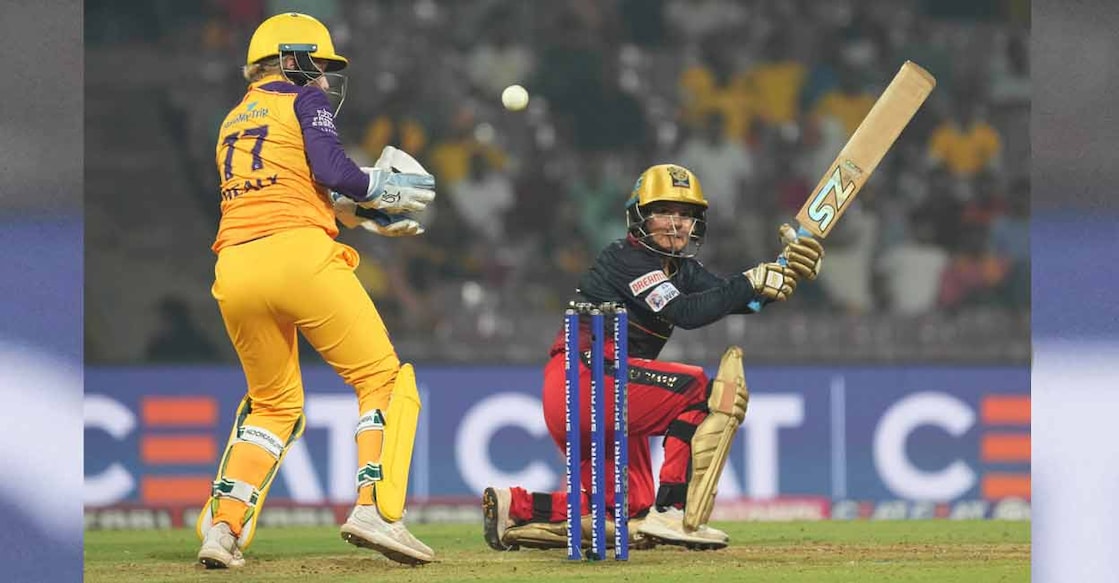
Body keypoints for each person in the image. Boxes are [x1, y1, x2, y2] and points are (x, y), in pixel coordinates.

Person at [194, 13, 437, 568]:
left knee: (273, 406)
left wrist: (357, 216)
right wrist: (377, 186)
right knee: (381, 379)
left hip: (234, 268)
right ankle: (376, 510)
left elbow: (281, 191)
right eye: (320, 67)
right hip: (299, 259)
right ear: (292, 61)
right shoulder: (304, 99)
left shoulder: (233, 119)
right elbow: (332, 170)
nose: (325, 81)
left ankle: (224, 529)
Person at [482, 164, 823, 551]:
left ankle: (516, 506)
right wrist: (752, 280)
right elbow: (688, 313)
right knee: (699, 389)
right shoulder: (627, 259)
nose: (676, 224)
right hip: (584, 378)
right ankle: (672, 508)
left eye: (685, 214)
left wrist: (783, 272)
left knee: (626, 512)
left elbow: (731, 298)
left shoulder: (681, 269)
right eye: (665, 212)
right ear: (639, 217)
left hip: (595, 387)